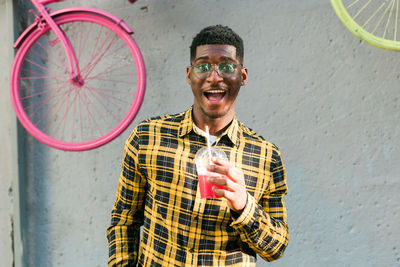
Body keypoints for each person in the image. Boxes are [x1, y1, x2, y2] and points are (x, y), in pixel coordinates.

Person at [107, 25, 289, 266]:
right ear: (189, 75)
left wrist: (244, 206)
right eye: (203, 67)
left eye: (226, 66)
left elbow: (276, 249)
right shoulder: (147, 137)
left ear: (242, 76)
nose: (214, 77)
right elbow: (124, 221)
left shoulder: (266, 156)